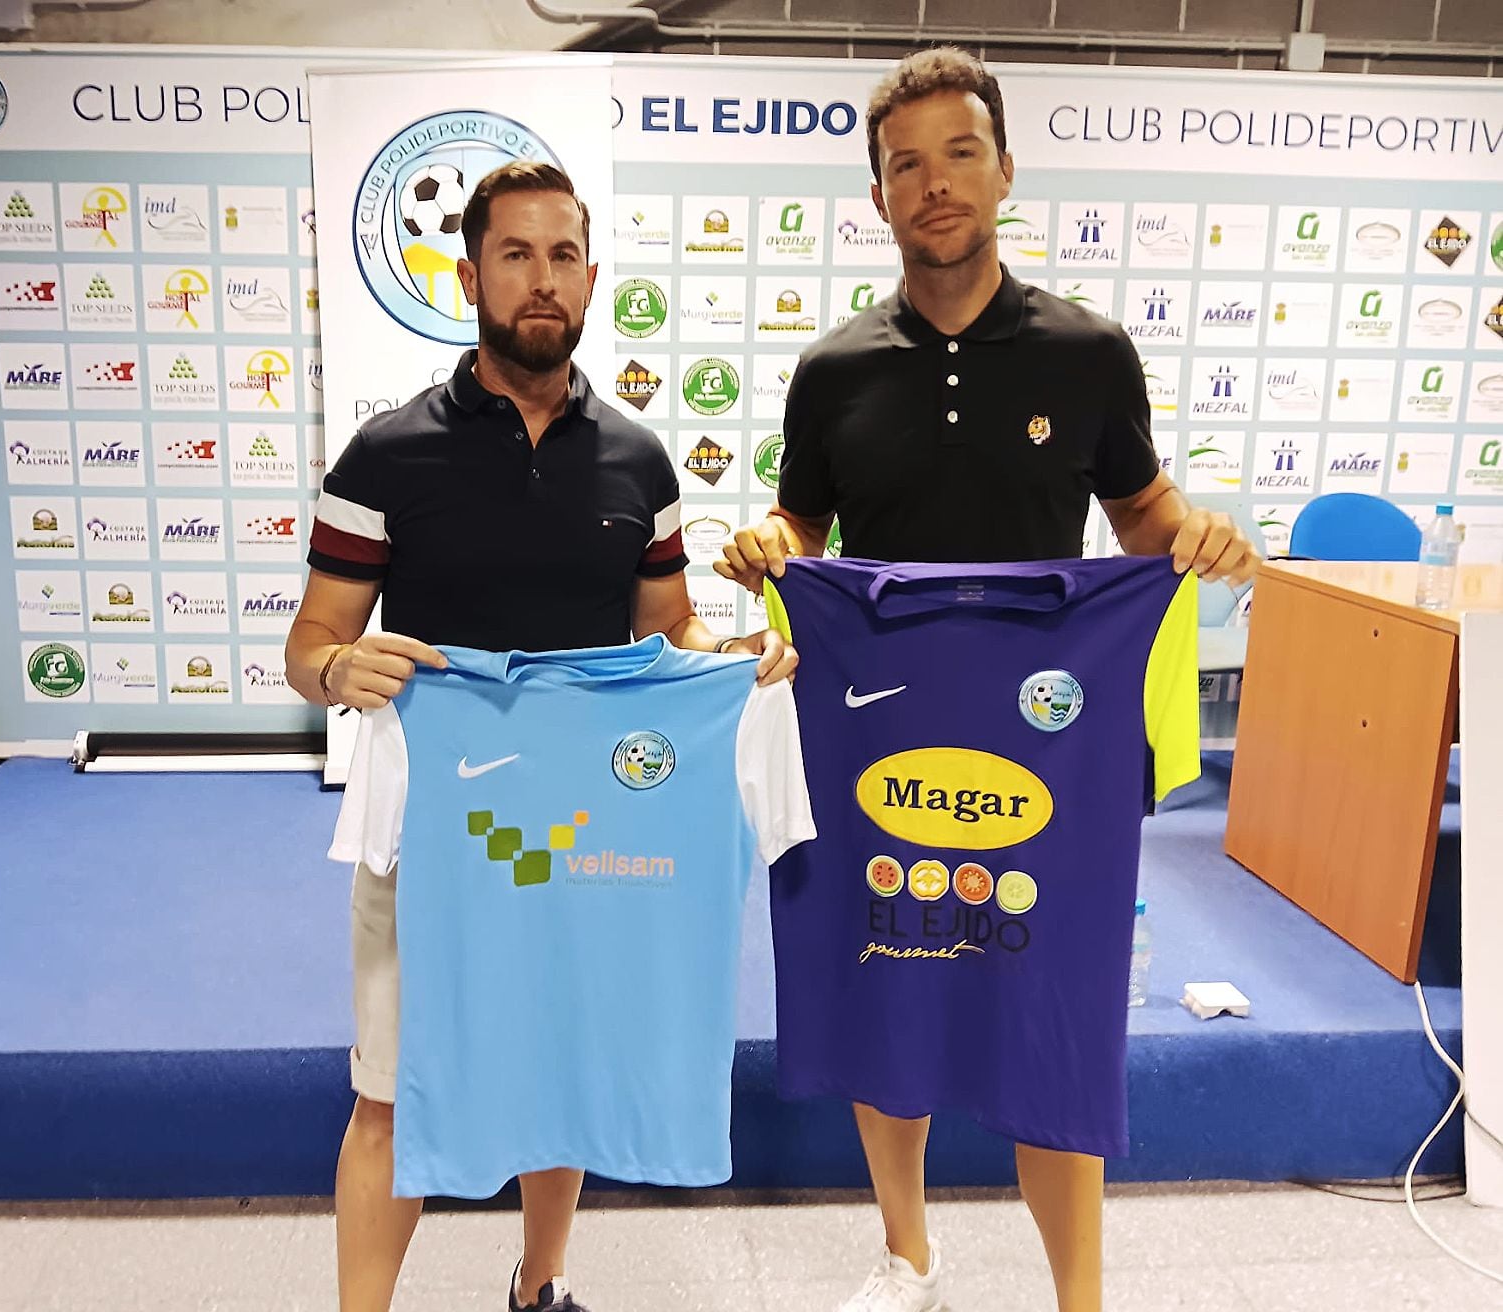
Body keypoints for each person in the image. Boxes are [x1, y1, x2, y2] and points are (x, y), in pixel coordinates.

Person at [713, 48, 1259, 1312]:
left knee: (1050, 1002)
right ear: (879, 196)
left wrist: (1206, 535)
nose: (934, 183)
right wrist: (766, 549)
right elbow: (803, 532)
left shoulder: (1086, 352)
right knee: (885, 977)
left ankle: (1081, 1295)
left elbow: (1144, 518)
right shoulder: (835, 371)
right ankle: (907, 1257)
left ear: (1004, 170)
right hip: (876, 728)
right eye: (905, 164)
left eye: (959, 154)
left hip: (1042, 731)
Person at [285, 160, 797, 1312]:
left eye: (563, 255)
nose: (541, 280)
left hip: (582, 829)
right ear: (467, 275)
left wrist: (739, 662)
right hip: (432, 830)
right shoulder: (383, 455)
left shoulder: (636, 459)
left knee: (561, 1071)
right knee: (388, 1092)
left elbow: (667, 631)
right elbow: (310, 641)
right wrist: (338, 666)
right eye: (515, 255)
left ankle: (540, 1285)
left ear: (591, 277)